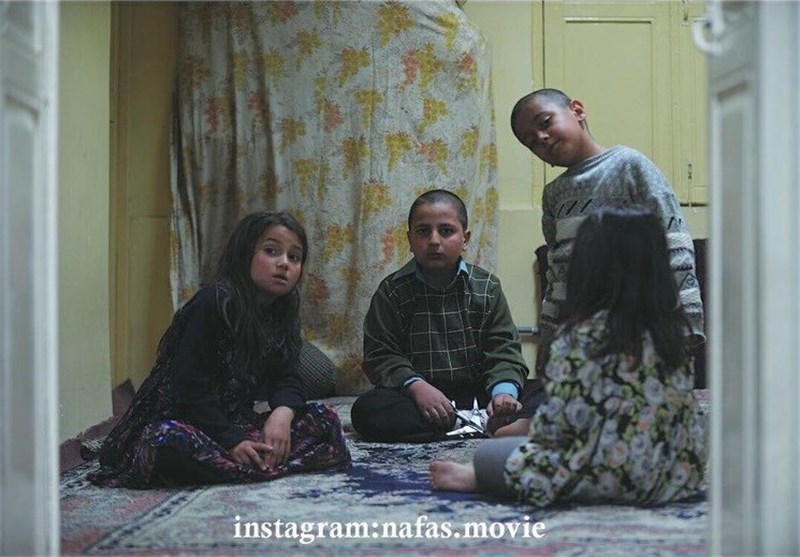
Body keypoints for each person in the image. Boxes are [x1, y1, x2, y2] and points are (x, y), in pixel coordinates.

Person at [428, 207, 708, 507]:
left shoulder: (579, 338)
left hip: (601, 477)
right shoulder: (673, 334)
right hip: (672, 477)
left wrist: (517, 435)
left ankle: (475, 478)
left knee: (489, 455)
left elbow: (556, 431)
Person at [89, 211, 351, 488]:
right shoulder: (213, 303)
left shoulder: (283, 314)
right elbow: (189, 388)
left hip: (233, 422)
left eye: (294, 257)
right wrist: (232, 440)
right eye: (271, 251)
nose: (284, 263)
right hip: (182, 420)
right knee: (165, 441)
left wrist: (282, 414)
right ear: (244, 253)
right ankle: (258, 465)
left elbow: (288, 376)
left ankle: (247, 465)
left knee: (325, 420)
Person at [510, 88, 704, 378]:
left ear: (577, 111)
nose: (541, 138)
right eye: (531, 142)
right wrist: (549, 341)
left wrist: (688, 324)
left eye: (545, 122)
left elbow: (674, 243)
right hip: (585, 340)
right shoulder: (554, 194)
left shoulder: (629, 165)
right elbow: (558, 273)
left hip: (643, 329)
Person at [350, 189, 542, 442]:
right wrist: (416, 386)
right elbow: (381, 355)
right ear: (409, 240)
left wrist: (503, 394)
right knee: (367, 410)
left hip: (481, 392)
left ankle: (479, 420)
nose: (433, 240)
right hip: (420, 396)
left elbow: (503, 349)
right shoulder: (392, 291)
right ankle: (477, 425)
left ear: (465, 238)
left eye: (446, 231)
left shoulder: (487, 287)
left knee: (549, 393)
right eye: (423, 231)